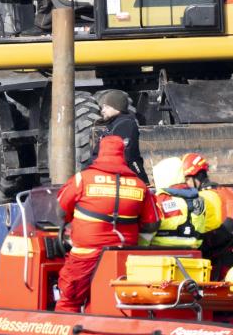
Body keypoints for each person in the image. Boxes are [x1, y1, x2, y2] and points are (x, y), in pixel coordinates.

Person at [54, 135, 160, 312]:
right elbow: (151, 224)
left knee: (70, 300)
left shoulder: (82, 179)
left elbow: (60, 211)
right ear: (123, 154)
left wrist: (73, 221)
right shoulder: (140, 185)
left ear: (100, 152)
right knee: (104, 300)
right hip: (123, 256)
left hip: (86, 254)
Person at [91, 89, 147, 178]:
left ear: (117, 108)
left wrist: (140, 178)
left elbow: (128, 157)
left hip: (119, 177)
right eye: (103, 107)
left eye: (107, 107)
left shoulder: (125, 125)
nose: (103, 111)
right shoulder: (114, 124)